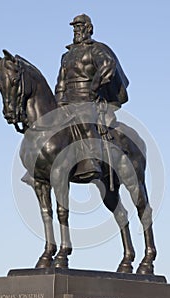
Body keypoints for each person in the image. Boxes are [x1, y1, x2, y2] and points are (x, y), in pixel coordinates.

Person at [55, 14, 129, 180]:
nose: (76, 30)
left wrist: (93, 88)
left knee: (84, 120)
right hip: (68, 100)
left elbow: (107, 65)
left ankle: (92, 160)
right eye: (74, 27)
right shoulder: (66, 56)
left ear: (88, 28)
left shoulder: (95, 49)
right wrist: (59, 100)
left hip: (89, 100)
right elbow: (61, 81)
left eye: (79, 27)